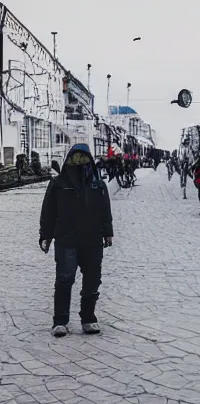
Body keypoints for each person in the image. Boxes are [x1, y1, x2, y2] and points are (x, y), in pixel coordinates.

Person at [39, 144, 114, 337]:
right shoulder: (58, 183)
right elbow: (48, 211)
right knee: (65, 278)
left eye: (83, 157)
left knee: (93, 279)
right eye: (76, 156)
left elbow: (105, 211)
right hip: (66, 238)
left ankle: (88, 318)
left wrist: (107, 232)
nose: (80, 161)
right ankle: (60, 321)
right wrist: (45, 235)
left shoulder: (98, 184)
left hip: (92, 239)